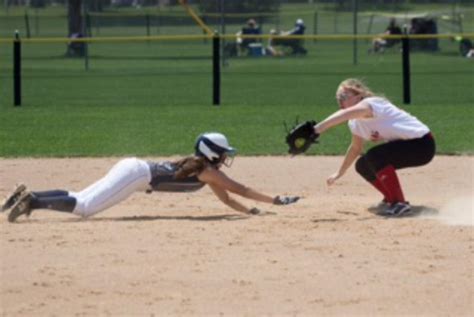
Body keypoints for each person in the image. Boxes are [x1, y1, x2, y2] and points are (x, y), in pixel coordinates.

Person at [2, 133, 299, 223]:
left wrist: (252, 213)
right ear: (212, 153)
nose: (225, 158)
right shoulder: (209, 172)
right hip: (135, 176)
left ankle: (32, 195)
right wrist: (276, 199)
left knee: (81, 195)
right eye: (223, 153)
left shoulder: (206, 171)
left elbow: (229, 198)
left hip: (133, 167)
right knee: (85, 208)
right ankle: (33, 202)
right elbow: (242, 189)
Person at [313, 78, 435, 216]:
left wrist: (317, 129)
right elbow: (355, 148)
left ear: (359, 96)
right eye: (338, 98)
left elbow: (343, 115)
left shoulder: (372, 104)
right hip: (408, 147)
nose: (340, 100)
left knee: (375, 156)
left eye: (344, 96)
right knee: (363, 165)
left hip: (422, 144)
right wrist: (340, 172)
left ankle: (399, 203)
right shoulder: (355, 122)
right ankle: (390, 198)